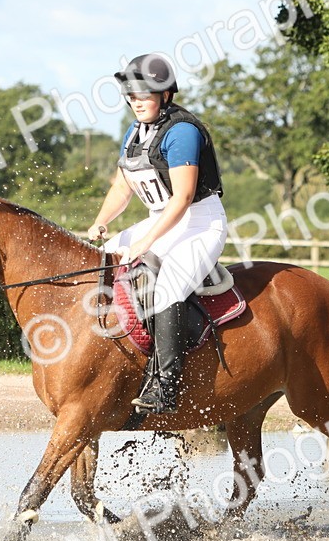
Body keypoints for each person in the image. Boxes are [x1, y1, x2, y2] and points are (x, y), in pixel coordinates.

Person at [87, 53, 227, 415]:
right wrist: (102, 222)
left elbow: (181, 199)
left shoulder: (182, 132)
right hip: (159, 219)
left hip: (198, 223)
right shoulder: (135, 133)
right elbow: (122, 188)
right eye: (131, 95)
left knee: (167, 290)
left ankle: (166, 386)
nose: (136, 101)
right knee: (102, 263)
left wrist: (147, 243)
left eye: (144, 94)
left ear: (165, 95)